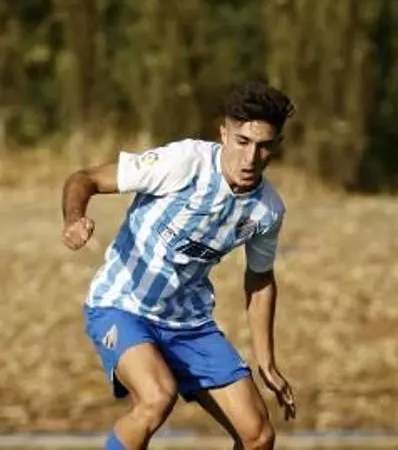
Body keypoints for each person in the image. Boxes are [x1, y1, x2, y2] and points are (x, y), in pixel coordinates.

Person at [61, 81, 298, 450]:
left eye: (264, 146)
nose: (251, 158)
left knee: (259, 436)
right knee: (156, 397)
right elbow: (85, 179)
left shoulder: (267, 210)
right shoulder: (184, 162)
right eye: (242, 142)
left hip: (189, 323)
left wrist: (266, 360)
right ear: (224, 134)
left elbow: (260, 279)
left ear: (276, 145)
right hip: (121, 305)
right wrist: (74, 218)